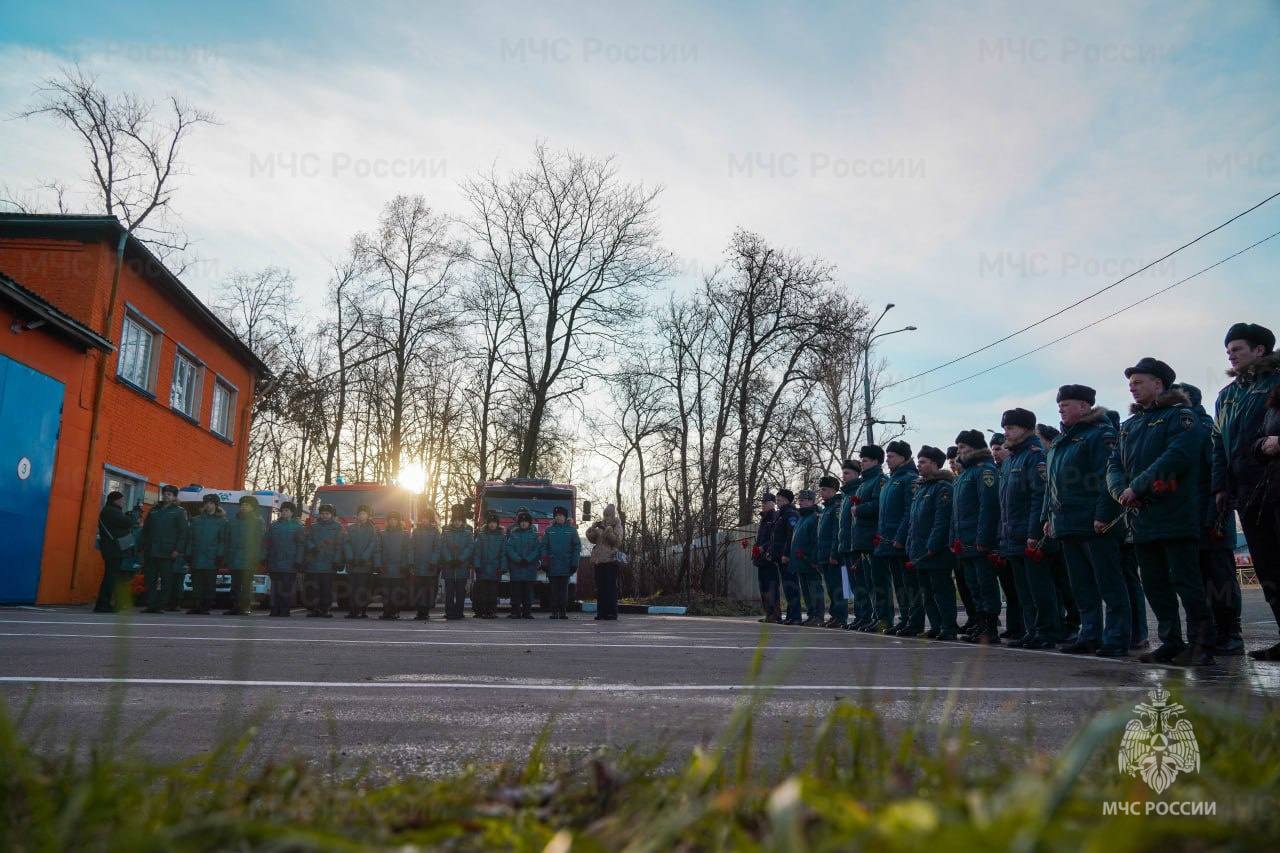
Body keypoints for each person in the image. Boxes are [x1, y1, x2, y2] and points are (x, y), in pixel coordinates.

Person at [1107, 357, 1213, 666]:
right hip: (1141, 517)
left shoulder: (1180, 417)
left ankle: (1202, 645)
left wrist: (1136, 487)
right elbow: (1113, 465)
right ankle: (1170, 641)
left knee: (1187, 582)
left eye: (1139, 382)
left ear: (1158, 384)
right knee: (1154, 583)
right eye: (1130, 384)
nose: (1133, 388)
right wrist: (1120, 492)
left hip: (1175, 513)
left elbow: (1177, 456)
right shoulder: (1130, 426)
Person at [1042, 385, 1130, 657]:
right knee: (1081, 586)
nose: (1061, 408)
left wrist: (1104, 514)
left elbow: (1108, 478)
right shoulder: (1060, 442)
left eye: (1067, 404)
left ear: (1084, 406)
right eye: (1060, 404)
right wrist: (1048, 517)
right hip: (1067, 523)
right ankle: (1089, 633)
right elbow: (1051, 486)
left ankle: (1116, 637)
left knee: (1109, 584)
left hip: (1094, 523)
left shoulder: (1100, 435)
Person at [1212, 323, 1280, 661]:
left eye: (1237, 348)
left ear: (1260, 350)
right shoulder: (1226, 395)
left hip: (1275, 482)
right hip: (1246, 492)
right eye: (1228, 350)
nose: (1231, 355)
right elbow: (1218, 444)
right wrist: (1220, 486)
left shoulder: (1275, 381)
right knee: (1267, 567)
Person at [1176, 382, 1244, 656]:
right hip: (1189, 518)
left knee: (1219, 579)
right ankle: (1213, 634)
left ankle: (1231, 634)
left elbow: (1214, 473)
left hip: (1210, 517)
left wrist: (1215, 516)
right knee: (1201, 581)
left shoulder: (1203, 429)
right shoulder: (1183, 430)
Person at [999, 408, 1061, 649]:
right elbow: (1004, 502)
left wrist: (1034, 533)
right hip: (1012, 536)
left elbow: (1039, 498)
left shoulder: (1035, 456)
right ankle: (1032, 630)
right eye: (1005, 428)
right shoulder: (1011, 458)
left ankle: (1047, 631)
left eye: (1011, 428)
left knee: (1040, 588)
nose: (1006, 432)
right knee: (1024, 590)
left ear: (1025, 429)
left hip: (1030, 536)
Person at [902, 446, 958, 640]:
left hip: (936, 551)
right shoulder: (921, 488)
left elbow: (941, 521)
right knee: (926, 592)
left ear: (935, 464)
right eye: (918, 461)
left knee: (941, 590)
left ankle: (948, 627)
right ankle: (935, 626)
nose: (919, 465)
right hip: (919, 551)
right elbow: (913, 521)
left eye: (924, 461)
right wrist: (910, 544)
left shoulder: (943, 488)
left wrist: (933, 545)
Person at [952, 430, 1001, 644]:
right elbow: (957, 512)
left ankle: (990, 627)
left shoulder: (984, 471)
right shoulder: (964, 474)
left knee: (985, 585)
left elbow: (988, 508)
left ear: (975, 448)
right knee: (974, 586)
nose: (959, 452)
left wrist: (983, 538)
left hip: (979, 541)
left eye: (963, 447)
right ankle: (980, 624)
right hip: (965, 541)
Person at [879, 441, 921, 636]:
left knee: (909, 584)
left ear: (903, 458)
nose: (887, 459)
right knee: (899, 584)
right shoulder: (890, 480)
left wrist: (900, 536)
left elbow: (908, 511)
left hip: (901, 541)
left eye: (892, 456)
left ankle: (915, 621)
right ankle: (904, 619)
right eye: (887, 456)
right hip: (888, 541)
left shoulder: (909, 479)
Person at [988, 432, 1024, 641]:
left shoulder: (1008, 470)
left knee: (1021, 589)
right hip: (1004, 538)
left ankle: (1026, 627)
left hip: (1017, 535)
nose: (996, 453)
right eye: (993, 449)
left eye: (999, 448)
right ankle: (1015, 626)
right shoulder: (1000, 472)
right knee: (1010, 589)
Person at [849, 447, 887, 632]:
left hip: (874, 538)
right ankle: (876, 616)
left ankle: (884, 617)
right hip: (863, 540)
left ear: (876, 461)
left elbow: (879, 504)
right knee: (870, 582)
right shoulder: (864, 483)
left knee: (879, 581)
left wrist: (859, 509)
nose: (861, 463)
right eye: (861, 459)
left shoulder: (879, 481)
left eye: (865, 460)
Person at [136, 484, 189, 614]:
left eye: (169, 494)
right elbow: (145, 530)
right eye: (165, 493)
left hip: (168, 552)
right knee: (150, 579)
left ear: (174, 497)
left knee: (166, 580)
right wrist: (141, 546)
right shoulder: (154, 510)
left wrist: (178, 549)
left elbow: (183, 533)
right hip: (151, 550)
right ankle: (151, 605)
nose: (166, 495)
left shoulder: (179, 511)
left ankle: (161, 605)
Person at [836, 459, 870, 631]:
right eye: (843, 473)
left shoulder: (858, 490)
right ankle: (860, 616)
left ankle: (866, 616)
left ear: (857, 474)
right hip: (846, 545)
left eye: (847, 473)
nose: (844, 476)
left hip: (856, 544)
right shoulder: (846, 495)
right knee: (854, 585)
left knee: (862, 583)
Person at [94, 491, 140, 613]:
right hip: (113, 549)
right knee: (110, 577)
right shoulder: (111, 511)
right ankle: (103, 604)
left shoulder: (109, 511)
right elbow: (128, 523)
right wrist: (134, 515)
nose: (123, 502)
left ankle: (104, 603)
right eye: (122, 500)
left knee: (111, 576)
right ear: (116, 500)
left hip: (110, 548)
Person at [186, 494, 228, 615]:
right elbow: (190, 539)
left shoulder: (222, 522)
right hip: (197, 556)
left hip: (212, 557)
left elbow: (222, 540)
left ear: (216, 505)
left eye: (211, 503)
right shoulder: (196, 520)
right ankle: (196, 605)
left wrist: (220, 556)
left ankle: (206, 606)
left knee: (209, 584)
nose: (208, 506)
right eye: (206, 503)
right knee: (196, 583)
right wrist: (188, 554)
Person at [788, 489, 825, 626]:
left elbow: (816, 540)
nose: (801, 502)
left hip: (810, 560)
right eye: (800, 500)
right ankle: (811, 614)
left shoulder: (815, 517)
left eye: (804, 500)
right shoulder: (801, 518)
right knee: (806, 590)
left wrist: (814, 559)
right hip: (800, 561)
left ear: (811, 501)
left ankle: (818, 615)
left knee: (815, 588)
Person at [814, 475, 847, 628]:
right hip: (824, 555)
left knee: (838, 587)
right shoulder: (826, 509)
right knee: (831, 587)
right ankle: (835, 615)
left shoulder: (836, 507)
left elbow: (836, 532)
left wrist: (834, 554)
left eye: (825, 490)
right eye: (821, 490)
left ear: (834, 490)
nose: (822, 493)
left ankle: (841, 616)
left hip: (833, 556)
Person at [225, 495, 266, 615]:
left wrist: (259, 557)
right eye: (242, 505)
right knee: (235, 585)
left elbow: (261, 542)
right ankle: (235, 606)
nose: (243, 507)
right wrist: (227, 556)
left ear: (252, 508)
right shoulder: (233, 521)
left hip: (249, 559)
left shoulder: (258, 522)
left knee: (247, 585)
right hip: (234, 558)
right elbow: (228, 539)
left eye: (247, 505)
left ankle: (245, 607)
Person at [264, 500, 304, 617]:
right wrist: (265, 557)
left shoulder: (297, 527)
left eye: (287, 510)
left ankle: (285, 609)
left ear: (292, 513)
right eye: (283, 510)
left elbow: (301, 545)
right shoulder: (274, 526)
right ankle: (274, 609)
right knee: (275, 587)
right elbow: (267, 543)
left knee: (286, 588)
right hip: (275, 562)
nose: (284, 512)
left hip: (290, 563)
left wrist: (298, 560)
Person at [767, 489, 801, 624]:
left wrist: (786, 554)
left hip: (787, 557)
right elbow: (775, 537)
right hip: (779, 557)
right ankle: (790, 616)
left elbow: (790, 535)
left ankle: (795, 616)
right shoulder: (780, 515)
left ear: (787, 499)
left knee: (791, 586)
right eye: (777, 498)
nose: (777, 500)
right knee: (787, 587)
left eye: (780, 498)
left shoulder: (790, 514)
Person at [304, 503, 344, 617]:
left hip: (329, 563)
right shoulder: (314, 527)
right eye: (322, 514)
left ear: (332, 515)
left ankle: (325, 609)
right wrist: (312, 547)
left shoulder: (338, 527)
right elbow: (307, 539)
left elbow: (340, 545)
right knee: (313, 588)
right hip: (314, 563)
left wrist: (336, 560)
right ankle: (314, 609)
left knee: (326, 588)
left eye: (327, 513)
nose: (325, 516)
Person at [586, 504, 624, 621]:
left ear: (613, 515)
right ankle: (601, 613)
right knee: (600, 588)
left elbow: (616, 542)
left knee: (610, 588)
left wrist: (608, 531)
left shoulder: (617, 525)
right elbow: (593, 540)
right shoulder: (601, 525)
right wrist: (591, 530)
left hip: (610, 560)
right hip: (599, 561)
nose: (606, 517)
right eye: (605, 515)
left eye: (608, 515)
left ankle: (611, 613)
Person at [543, 506, 581, 619]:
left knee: (564, 590)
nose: (559, 518)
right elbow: (544, 546)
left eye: (561, 516)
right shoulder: (549, 530)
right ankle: (554, 611)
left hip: (566, 565)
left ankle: (563, 611)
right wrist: (545, 561)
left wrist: (574, 563)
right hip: (553, 565)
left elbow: (577, 547)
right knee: (554, 590)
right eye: (557, 516)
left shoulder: (572, 530)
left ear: (565, 517)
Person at [505, 508, 541, 619]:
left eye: (526, 522)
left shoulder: (534, 535)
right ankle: (515, 611)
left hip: (529, 568)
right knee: (515, 591)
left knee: (528, 591)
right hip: (516, 567)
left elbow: (537, 550)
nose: (524, 523)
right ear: (518, 523)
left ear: (529, 523)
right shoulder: (513, 535)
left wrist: (528, 559)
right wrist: (518, 559)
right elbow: (509, 549)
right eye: (521, 522)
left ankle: (527, 612)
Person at [439, 504, 474, 620]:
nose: (457, 523)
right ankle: (449, 612)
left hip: (462, 567)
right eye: (455, 520)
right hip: (449, 567)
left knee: (460, 592)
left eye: (459, 521)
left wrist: (460, 559)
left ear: (462, 521)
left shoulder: (468, 533)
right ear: (452, 521)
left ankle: (459, 611)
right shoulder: (446, 532)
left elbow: (470, 547)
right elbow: (442, 547)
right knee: (449, 591)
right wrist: (449, 559)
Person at [345, 504, 379, 618]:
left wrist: (364, 558)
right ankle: (352, 610)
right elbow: (347, 543)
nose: (362, 516)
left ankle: (361, 610)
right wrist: (350, 557)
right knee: (352, 588)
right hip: (353, 564)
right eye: (360, 514)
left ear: (368, 515)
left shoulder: (372, 529)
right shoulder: (351, 528)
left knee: (363, 588)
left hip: (365, 564)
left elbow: (373, 544)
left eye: (364, 513)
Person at [752, 493, 781, 623]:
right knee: (763, 587)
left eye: (766, 502)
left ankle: (774, 614)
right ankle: (769, 613)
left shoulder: (774, 517)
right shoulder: (764, 519)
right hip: (761, 559)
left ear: (773, 503)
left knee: (771, 587)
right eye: (762, 502)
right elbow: (761, 538)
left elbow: (774, 538)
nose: (763, 505)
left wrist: (764, 547)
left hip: (769, 559)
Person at [472, 510, 506, 618]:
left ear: (497, 524)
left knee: (493, 592)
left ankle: (492, 611)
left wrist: (503, 567)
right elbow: (477, 552)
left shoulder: (501, 537)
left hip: (495, 569)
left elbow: (503, 553)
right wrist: (477, 565)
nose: (492, 524)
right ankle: (483, 611)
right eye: (490, 522)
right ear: (487, 523)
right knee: (483, 592)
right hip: (483, 568)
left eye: (494, 522)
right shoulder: (481, 536)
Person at [378, 511, 411, 619]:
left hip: (399, 567)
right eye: (390, 519)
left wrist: (405, 565)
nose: (393, 521)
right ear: (388, 521)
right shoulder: (382, 534)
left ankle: (395, 612)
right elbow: (378, 550)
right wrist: (379, 565)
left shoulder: (405, 534)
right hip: (385, 567)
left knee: (397, 592)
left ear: (399, 521)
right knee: (386, 592)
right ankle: (386, 611)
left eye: (395, 519)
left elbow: (407, 551)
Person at [411, 506, 442, 620]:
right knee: (418, 589)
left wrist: (433, 562)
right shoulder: (415, 531)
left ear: (430, 519)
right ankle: (419, 611)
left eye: (427, 518)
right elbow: (412, 547)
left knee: (428, 590)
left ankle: (426, 611)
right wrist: (411, 562)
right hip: (418, 566)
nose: (425, 520)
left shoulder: (435, 532)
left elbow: (437, 548)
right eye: (423, 518)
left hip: (430, 567)